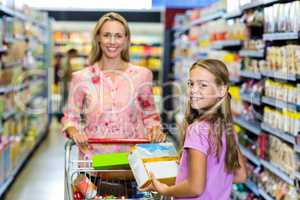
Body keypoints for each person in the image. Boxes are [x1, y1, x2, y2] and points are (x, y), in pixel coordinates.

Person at [61, 12, 165, 156]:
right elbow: (70, 118)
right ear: (98, 38)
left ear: (126, 39)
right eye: (106, 35)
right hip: (94, 161)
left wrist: (156, 129)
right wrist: (75, 132)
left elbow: (150, 116)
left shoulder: (142, 75)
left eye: (118, 36)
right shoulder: (82, 77)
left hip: (132, 162)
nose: (112, 41)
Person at [141, 59, 247, 199]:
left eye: (203, 85)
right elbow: (240, 175)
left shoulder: (196, 130)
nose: (193, 90)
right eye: (191, 83)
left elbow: (195, 187)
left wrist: (166, 190)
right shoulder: (227, 128)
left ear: (222, 90)